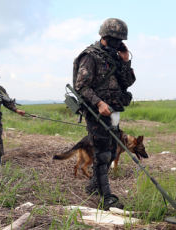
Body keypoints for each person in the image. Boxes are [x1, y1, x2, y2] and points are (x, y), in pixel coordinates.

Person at [73, 18, 136, 210]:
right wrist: (99, 103)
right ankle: (106, 197)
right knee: (102, 153)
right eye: (113, 40)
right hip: (97, 112)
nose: (117, 43)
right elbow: (81, 86)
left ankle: (94, 185)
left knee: (110, 152)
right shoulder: (90, 56)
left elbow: (128, 82)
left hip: (114, 112)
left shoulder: (115, 57)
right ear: (104, 37)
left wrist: (125, 61)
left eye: (120, 41)